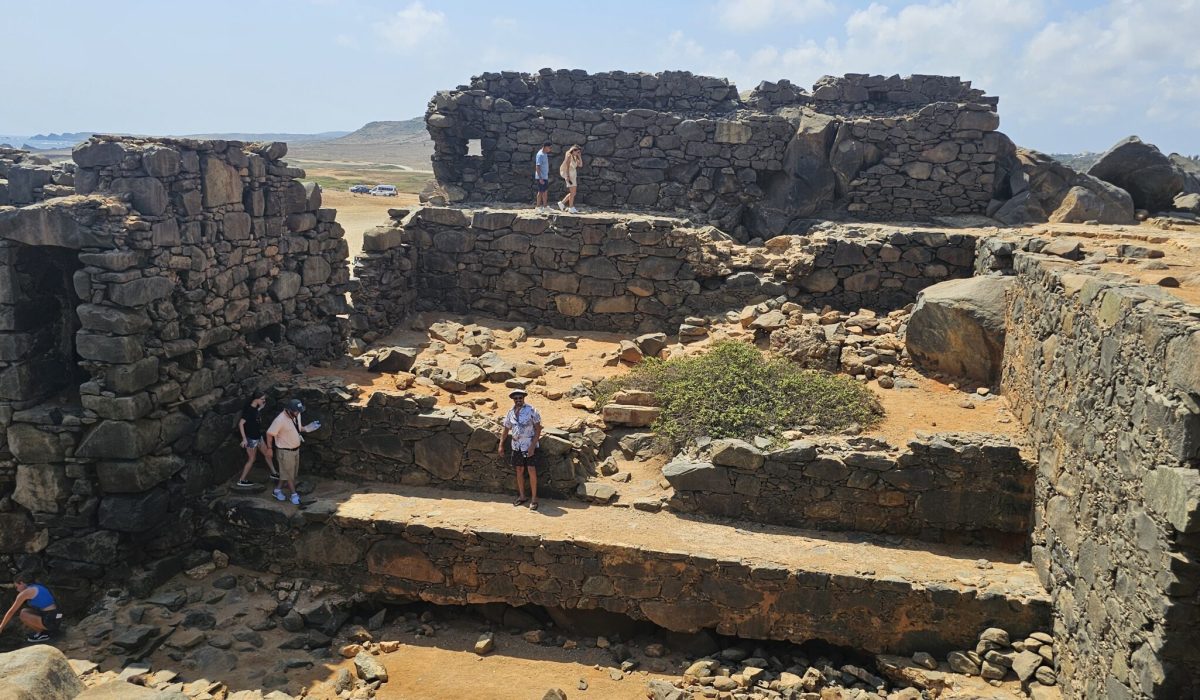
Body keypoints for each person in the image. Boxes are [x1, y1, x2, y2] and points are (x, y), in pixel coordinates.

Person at [265, 399, 321, 506]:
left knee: (289, 473)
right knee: (289, 475)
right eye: (296, 411)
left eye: (299, 411)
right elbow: (269, 433)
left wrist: (309, 428)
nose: (298, 413)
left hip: (295, 450)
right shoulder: (280, 420)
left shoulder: (296, 415)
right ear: (289, 410)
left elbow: (299, 429)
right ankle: (294, 495)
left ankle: (277, 491)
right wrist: (269, 448)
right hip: (285, 452)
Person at [498, 389, 543, 510]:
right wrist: (501, 444)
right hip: (516, 445)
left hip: (529, 443)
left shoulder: (532, 410)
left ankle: (534, 498)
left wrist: (533, 446)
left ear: (524, 398)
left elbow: (538, 429)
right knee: (519, 469)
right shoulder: (510, 413)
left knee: (531, 470)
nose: (518, 400)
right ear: (513, 399)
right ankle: (522, 496)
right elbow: (506, 429)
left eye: (520, 398)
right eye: (516, 398)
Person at [0, 570, 63, 643]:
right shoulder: (38, 586)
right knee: (24, 611)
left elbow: (11, 611)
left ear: (22, 583)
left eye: (16, 586)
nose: (17, 589)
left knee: (23, 615)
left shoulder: (26, 593)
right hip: (57, 616)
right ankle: (48, 631)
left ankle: (45, 634)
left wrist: (1, 627)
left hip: (51, 620)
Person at [235, 394, 276, 487]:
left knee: (267, 454)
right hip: (251, 439)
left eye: (264, 399)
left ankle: (274, 473)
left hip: (258, 436)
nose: (264, 401)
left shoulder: (254, 409)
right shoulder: (249, 410)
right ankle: (242, 480)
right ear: (255, 399)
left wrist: (260, 408)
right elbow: (241, 423)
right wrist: (244, 439)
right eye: (262, 399)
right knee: (252, 459)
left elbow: (253, 416)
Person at [557, 145, 583, 213]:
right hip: (569, 176)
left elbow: (580, 165)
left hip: (573, 176)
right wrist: (567, 177)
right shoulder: (569, 156)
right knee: (572, 192)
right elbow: (567, 167)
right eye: (577, 152)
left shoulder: (575, 157)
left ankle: (562, 203)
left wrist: (579, 156)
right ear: (574, 150)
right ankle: (571, 207)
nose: (578, 153)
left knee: (573, 193)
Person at [534, 142, 552, 211]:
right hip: (541, 177)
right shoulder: (540, 155)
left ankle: (545, 206)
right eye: (549, 147)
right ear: (545, 147)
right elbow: (537, 166)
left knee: (545, 191)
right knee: (540, 192)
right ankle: (538, 207)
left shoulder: (545, 154)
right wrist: (540, 178)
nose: (550, 149)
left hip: (545, 176)